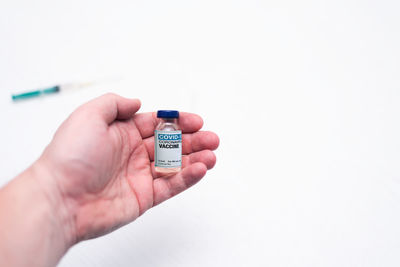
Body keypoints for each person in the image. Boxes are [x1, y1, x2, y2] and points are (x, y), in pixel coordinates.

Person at [0, 93, 219, 267]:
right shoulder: (161, 127)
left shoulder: (170, 130)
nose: (168, 125)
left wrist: (57, 198)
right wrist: (57, 189)